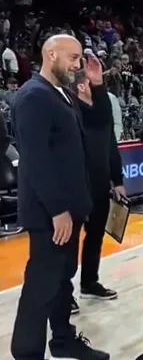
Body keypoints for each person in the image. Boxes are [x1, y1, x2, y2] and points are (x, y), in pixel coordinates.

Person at [11, 35, 109, 360]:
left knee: (62, 281)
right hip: (50, 215)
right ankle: (27, 354)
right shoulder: (33, 96)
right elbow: (35, 160)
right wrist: (57, 210)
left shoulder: (62, 95)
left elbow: (99, 125)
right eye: (73, 57)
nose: (77, 64)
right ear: (51, 55)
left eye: (80, 58)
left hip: (70, 209)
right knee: (41, 286)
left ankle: (63, 340)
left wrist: (97, 86)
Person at [71, 66, 126, 313]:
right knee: (69, 243)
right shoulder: (71, 111)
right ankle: (64, 294)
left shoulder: (101, 113)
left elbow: (111, 148)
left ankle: (89, 282)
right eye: (92, 84)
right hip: (76, 188)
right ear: (82, 87)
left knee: (95, 237)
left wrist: (118, 180)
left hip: (101, 186)